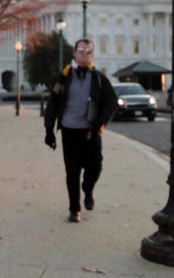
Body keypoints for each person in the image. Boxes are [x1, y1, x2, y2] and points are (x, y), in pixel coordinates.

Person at [43, 38, 118, 223]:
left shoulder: (98, 77)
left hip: (91, 131)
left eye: (88, 51)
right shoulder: (63, 77)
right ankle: (74, 209)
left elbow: (112, 100)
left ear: (92, 55)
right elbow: (52, 103)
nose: (84, 54)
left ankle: (88, 189)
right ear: (75, 53)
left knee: (95, 166)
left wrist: (102, 120)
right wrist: (49, 130)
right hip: (69, 130)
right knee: (72, 171)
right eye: (81, 50)